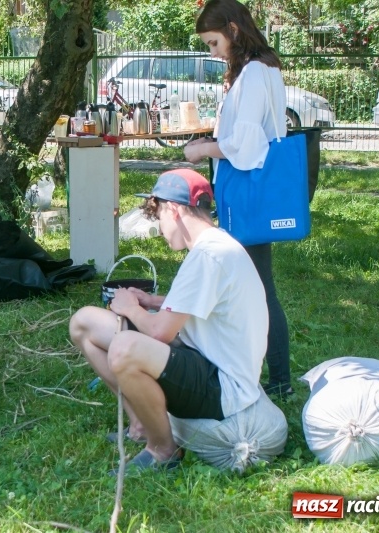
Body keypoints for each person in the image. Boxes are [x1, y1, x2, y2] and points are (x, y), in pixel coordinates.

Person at [69, 169, 268, 473]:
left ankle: (163, 450)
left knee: (124, 347)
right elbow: (202, 305)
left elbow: (160, 332)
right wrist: (150, 301)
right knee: (84, 323)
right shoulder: (215, 246)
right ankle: (140, 422)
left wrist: (128, 307)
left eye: (158, 215)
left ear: (174, 210)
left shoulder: (209, 256)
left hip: (223, 387)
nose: (159, 229)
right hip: (204, 358)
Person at [182, 0, 293, 397]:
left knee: (259, 287)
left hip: (248, 189)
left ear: (232, 29)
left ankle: (279, 381)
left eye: (213, 43)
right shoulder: (259, 69)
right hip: (247, 188)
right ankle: (260, 374)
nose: (212, 52)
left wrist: (203, 149)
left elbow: (245, 146)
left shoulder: (255, 73)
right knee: (252, 283)